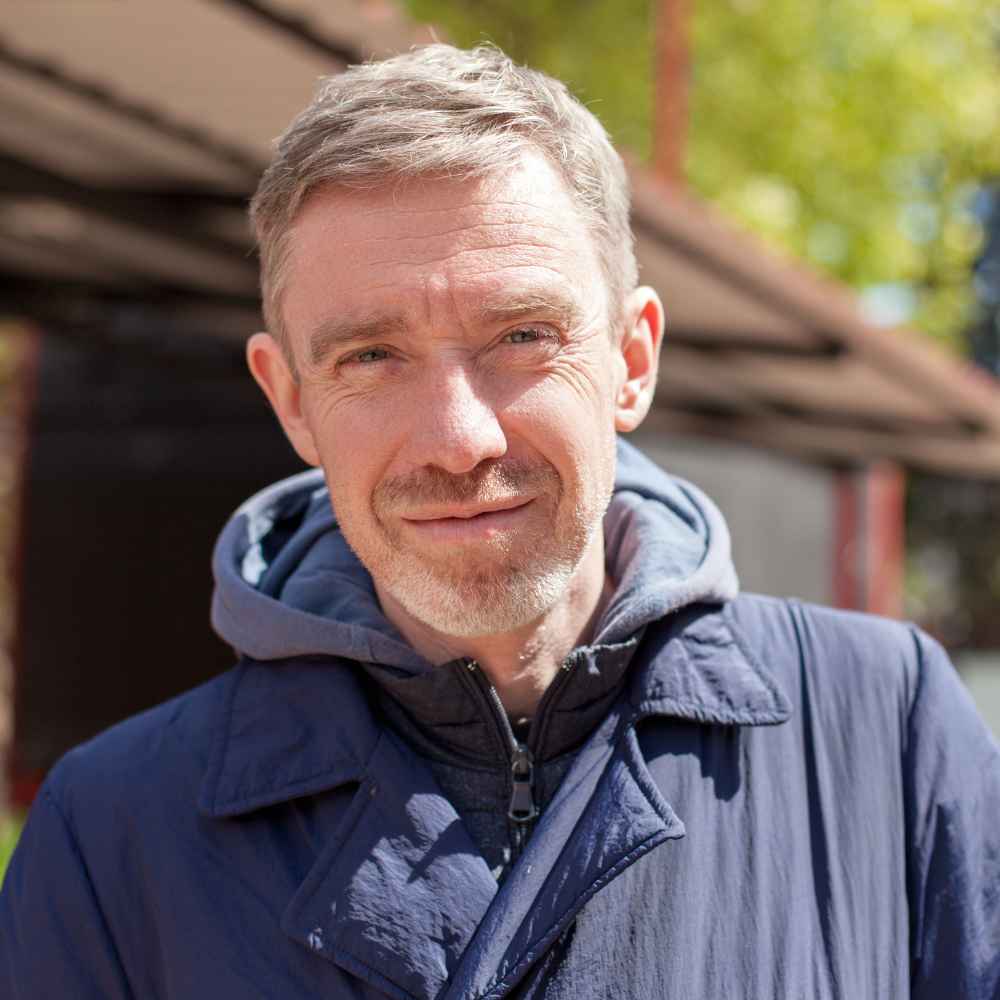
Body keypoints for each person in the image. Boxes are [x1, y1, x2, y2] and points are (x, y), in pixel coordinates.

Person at [2, 43, 999, 1000]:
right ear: (292, 399)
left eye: (522, 335)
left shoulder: (885, 731)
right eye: (371, 356)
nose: (458, 439)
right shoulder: (111, 836)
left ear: (632, 360)